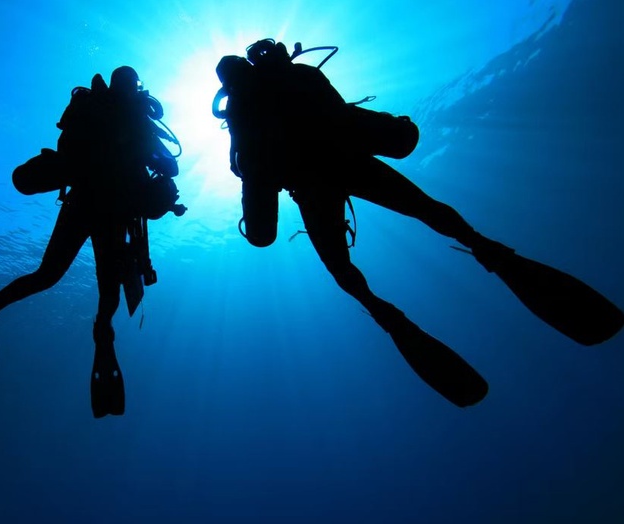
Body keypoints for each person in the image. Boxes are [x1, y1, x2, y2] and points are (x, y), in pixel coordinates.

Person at [213, 39, 623, 407]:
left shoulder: (241, 111)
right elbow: (339, 114)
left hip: (312, 187)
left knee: (343, 271)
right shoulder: (294, 75)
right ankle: (488, 249)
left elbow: (253, 182)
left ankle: (385, 314)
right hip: (349, 160)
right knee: (427, 210)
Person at [0, 66, 186, 417]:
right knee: (108, 292)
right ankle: (103, 331)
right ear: (136, 87)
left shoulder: (92, 107)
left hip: (82, 203)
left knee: (46, 276)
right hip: (113, 211)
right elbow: (170, 168)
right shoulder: (136, 118)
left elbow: (66, 149)